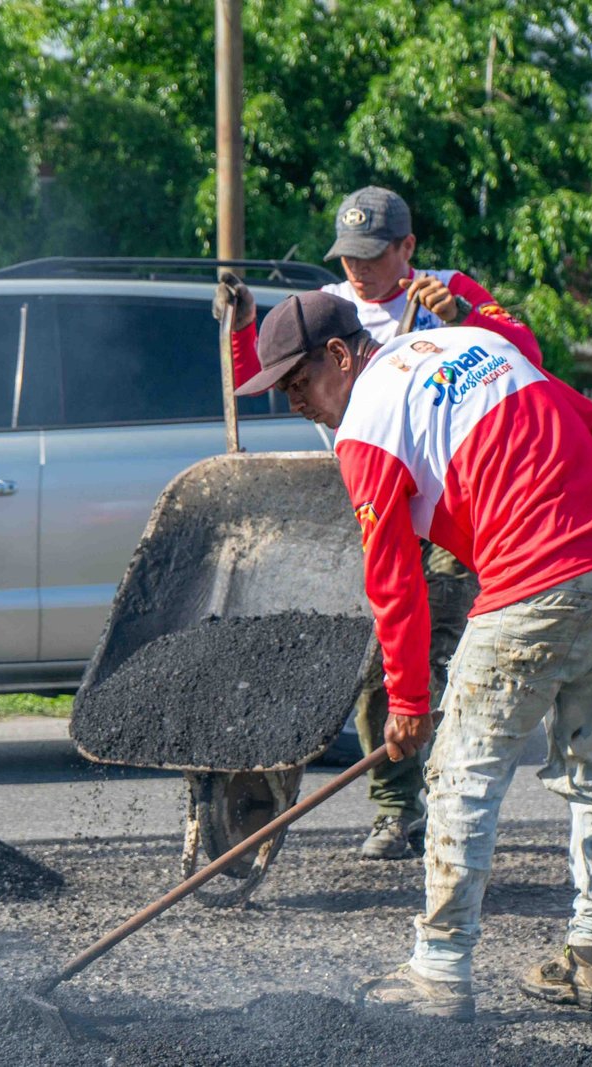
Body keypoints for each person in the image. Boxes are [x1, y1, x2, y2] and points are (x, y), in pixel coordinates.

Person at [237, 291, 592, 1021]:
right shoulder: (476, 345)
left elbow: (393, 577)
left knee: (460, 775)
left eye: (299, 382)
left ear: (341, 355)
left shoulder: (366, 423)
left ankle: (439, 971)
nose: (296, 402)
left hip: (534, 572)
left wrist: (407, 702)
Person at [214, 185, 540, 861]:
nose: (359, 270)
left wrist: (472, 319)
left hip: (447, 500)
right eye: (349, 255)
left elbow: (524, 352)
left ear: (407, 248)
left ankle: (447, 797)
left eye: (372, 255)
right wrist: (240, 325)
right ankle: (398, 807)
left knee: (442, 645)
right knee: (382, 660)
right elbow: (266, 378)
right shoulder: (331, 307)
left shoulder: (446, 290)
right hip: (373, 492)